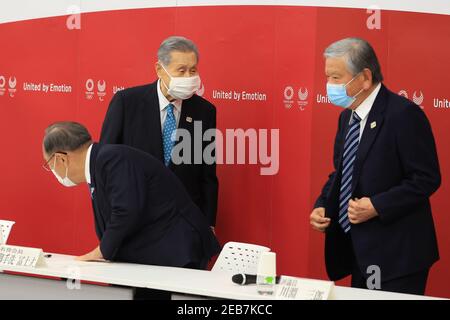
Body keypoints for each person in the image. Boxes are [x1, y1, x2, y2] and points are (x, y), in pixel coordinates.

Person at [310, 37, 441, 295]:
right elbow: (342, 172)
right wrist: (322, 204)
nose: (329, 86)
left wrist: (378, 206)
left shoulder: (403, 115)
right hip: (359, 252)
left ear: (365, 77)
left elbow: (426, 178)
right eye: (327, 77)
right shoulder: (347, 115)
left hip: (397, 257)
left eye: (336, 78)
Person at [42, 121, 220, 270]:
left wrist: (100, 252)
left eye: (49, 164)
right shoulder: (99, 162)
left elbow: (126, 210)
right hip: (161, 252)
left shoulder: (110, 159)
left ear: (61, 159)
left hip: (178, 249)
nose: (53, 170)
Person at [100, 36, 218, 232]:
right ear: (159, 69)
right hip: (133, 220)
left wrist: (208, 224)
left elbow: (207, 174)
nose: (188, 77)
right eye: (181, 70)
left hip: (183, 223)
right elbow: (105, 165)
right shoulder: (127, 103)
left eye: (193, 70)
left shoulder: (204, 112)